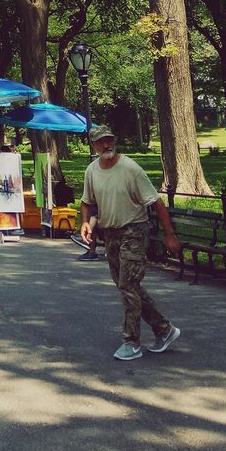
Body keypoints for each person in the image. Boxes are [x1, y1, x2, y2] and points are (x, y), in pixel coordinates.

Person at [80, 124, 182, 360]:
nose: (106, 145)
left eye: (109, 140)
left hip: (134, 231)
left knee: (127, 286)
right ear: (93, 145)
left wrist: (170, 235)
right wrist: (85, 223)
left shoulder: (130, 169)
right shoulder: (91, 171)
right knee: (127, 286)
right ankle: (164, 330)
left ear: (113, 141)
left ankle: (132, 343)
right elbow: (86, 202)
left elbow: (156, 202)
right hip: (111, 234)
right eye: (100, 141)